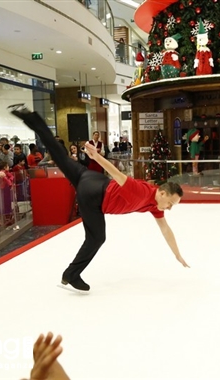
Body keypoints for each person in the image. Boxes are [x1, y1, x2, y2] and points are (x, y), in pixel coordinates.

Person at [10, 105, 189, 292]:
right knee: (97, 238)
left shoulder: (155, 204)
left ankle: (29, 116)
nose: (169, 208)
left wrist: (177, 255)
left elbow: (166, 230)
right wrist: (96, 156)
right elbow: (117, 174)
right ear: (162, 193)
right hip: (94, 196)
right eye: (170, 203)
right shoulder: (142, 192)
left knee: (59, 154)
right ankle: (71, 274)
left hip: (91, 179)